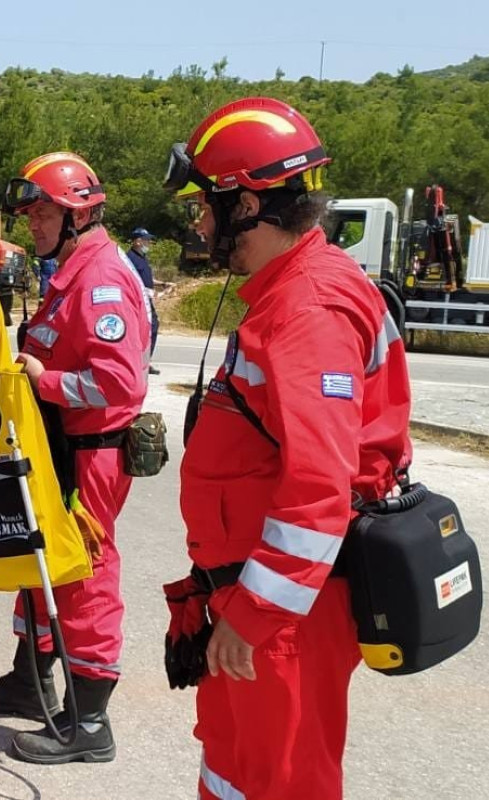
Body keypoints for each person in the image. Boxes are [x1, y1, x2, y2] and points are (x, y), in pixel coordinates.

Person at [163, 96, 412, 799]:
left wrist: (255, 616)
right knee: (236, 769)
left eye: (206, 206)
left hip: (283, 615)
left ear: (246, 203)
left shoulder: (307, 310)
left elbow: (318, 490)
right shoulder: (289, 291)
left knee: (280, 782)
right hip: (254, 595)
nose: (200, 222)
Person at [0, 151, 149, 764]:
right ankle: (31, 681)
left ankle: (90, 720)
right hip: (59, 450)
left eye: (42, 213)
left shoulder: (102, 279)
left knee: (84, 574)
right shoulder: (71, 270)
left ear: (76, 212)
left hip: (90, 455)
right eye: (28, 214)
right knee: (39, 562)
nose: (32, 225)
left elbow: (119, 386)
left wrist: (44, 381)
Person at [125, 227, 160, 374]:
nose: (149, 243)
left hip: (147, 299)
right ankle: (140, 362)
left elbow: (145, 277)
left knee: (152, 327)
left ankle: (145, 361)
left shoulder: (141, 257)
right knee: (148, 327)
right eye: (146, 240)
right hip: (139, 300)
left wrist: (160, 283)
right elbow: (131, 280)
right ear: (138, 241)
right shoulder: (130, 258)